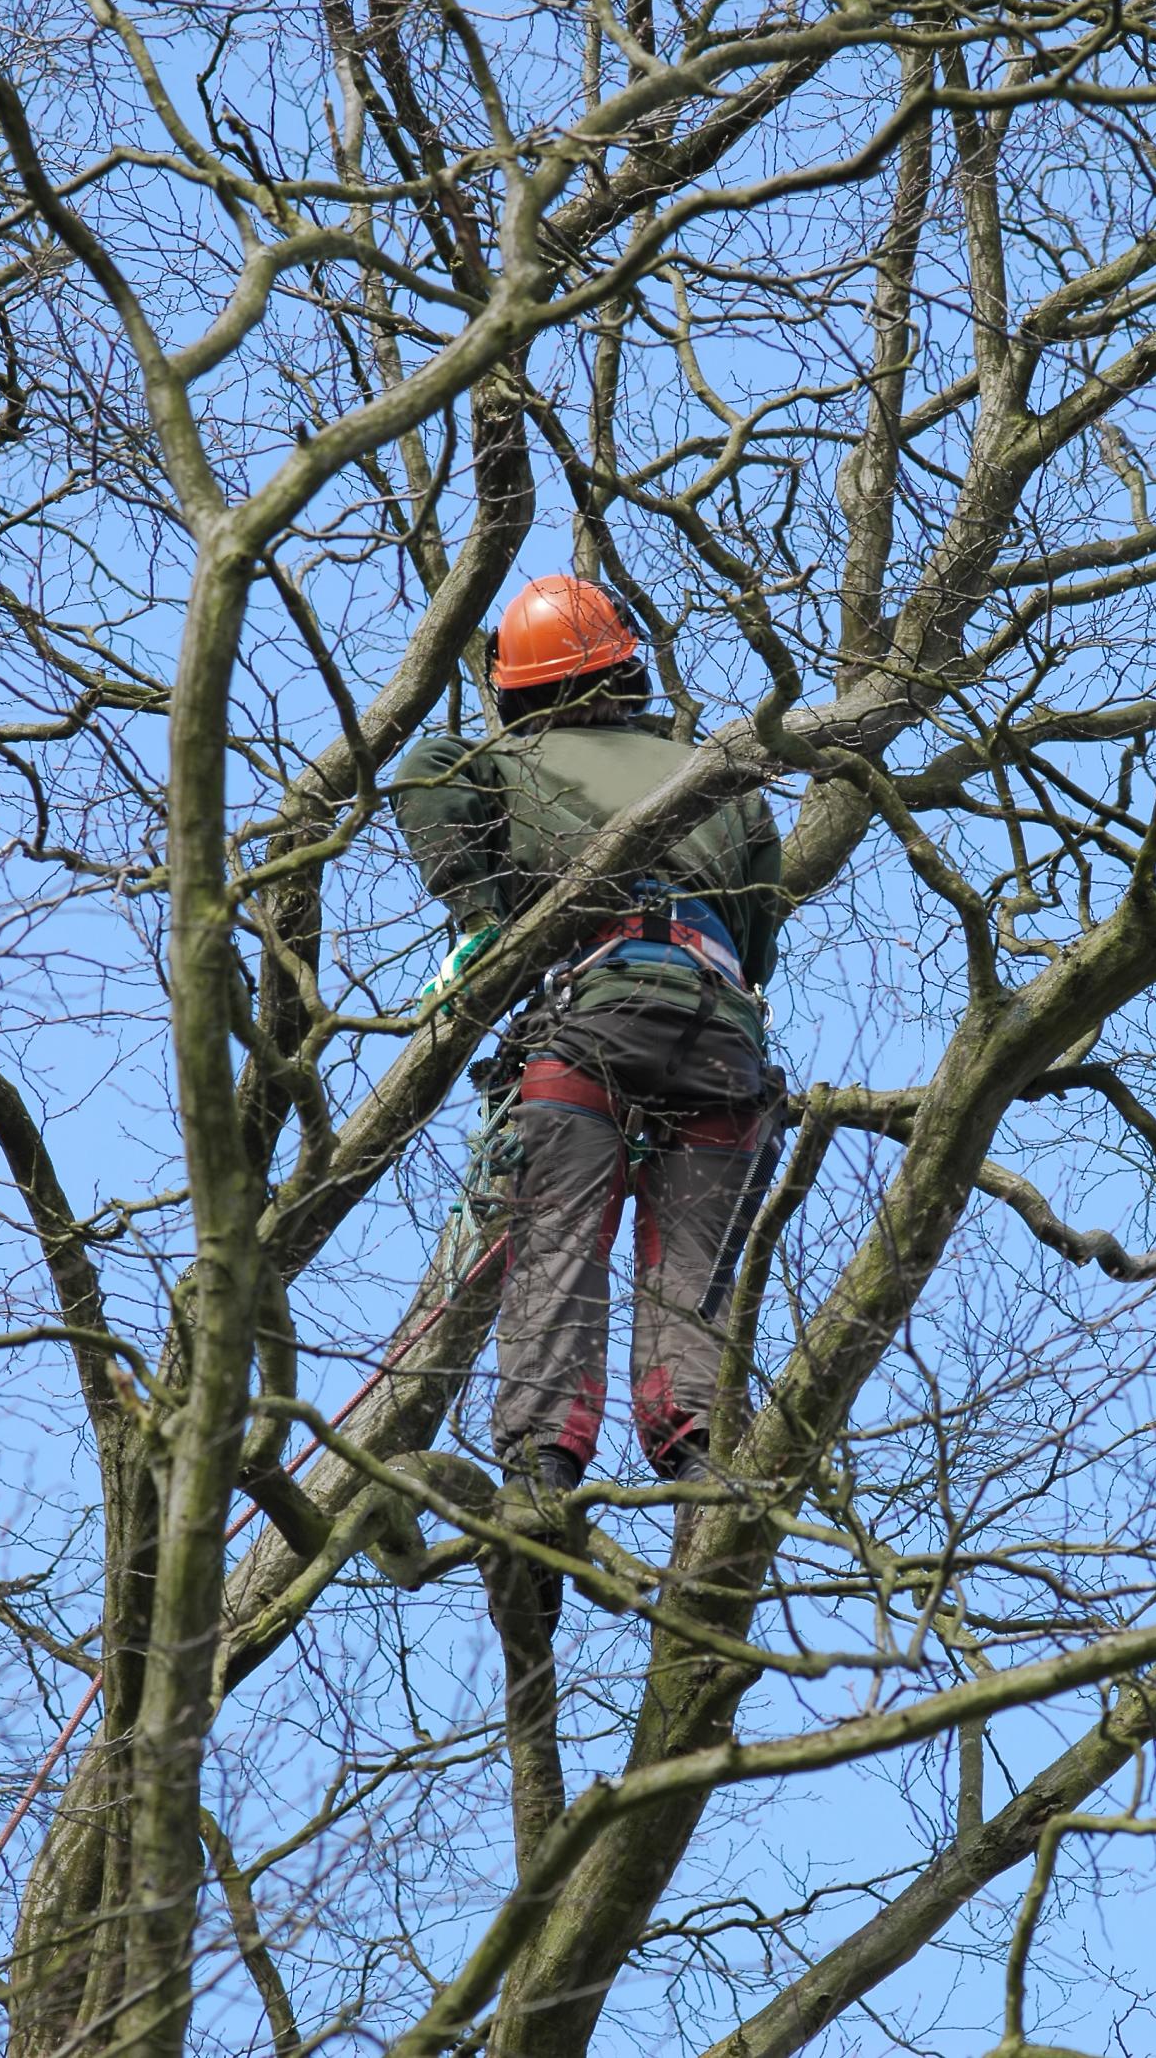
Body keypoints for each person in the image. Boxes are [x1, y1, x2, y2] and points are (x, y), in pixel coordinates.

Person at [391, 575, 783, 1626]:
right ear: (622, 671)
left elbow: (421, 774)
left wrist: (485, 913)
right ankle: (701, 1471)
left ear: (517, 695)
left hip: (589, 1023)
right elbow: (759, 935)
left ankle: (538, 1483)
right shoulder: (720, 776)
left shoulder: (502, 759)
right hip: (721, 1042)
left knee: (559, 1244)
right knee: (692, 1278)